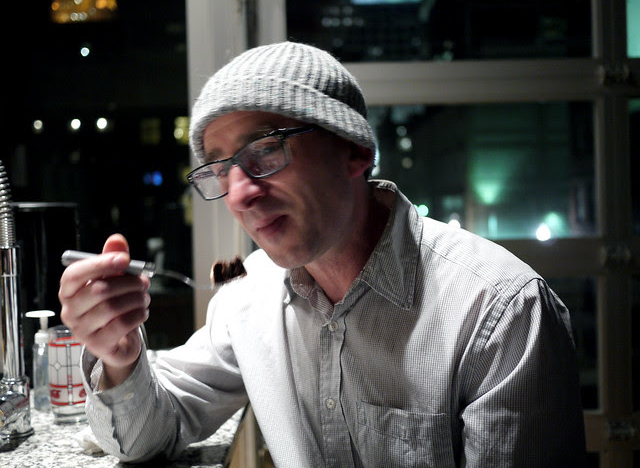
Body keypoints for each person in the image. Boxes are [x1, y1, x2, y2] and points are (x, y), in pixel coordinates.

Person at [59, 41, 586, 467]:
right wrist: (120, 355)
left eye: (266, 149)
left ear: (355, 150)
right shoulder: (249, 294)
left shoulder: (502, 313)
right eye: (220, 169)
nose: (239, 194)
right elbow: (150, 434)